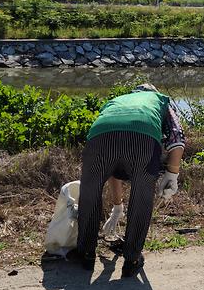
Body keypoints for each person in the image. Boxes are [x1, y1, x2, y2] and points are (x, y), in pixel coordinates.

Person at [74, 83, 185, 278]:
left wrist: (118, 208)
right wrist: (172, 174)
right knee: (142, 194)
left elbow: (112, 171)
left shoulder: (116, 101)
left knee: (90, 192)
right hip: (142, 137)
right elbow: (176, 138)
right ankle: (132, 258)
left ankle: (86, 253)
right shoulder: (160, 100)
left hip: (100, 137)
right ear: (153, 92)